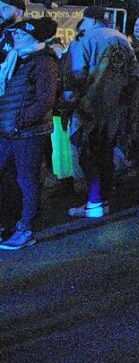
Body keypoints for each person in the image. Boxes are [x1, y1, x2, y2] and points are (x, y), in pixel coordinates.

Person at [63, 6, 138, 219]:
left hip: (90, 107)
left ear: (90, 19)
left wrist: (70, 102)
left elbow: (76, 74)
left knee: (88, 155)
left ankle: (93, 202)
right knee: (106, 154)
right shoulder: (122, 39)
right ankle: (104, 201)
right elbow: (134, 74)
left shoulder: (84, 38)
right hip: (117, 108)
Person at [0, 17, 59, 250]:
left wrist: (19, 122)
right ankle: (8, 223)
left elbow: (45, 100)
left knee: (27, 181)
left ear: (33, 38)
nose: (14, 37)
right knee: (8, 178)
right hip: (9, 132)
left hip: (28, 134)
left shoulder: (44, 63)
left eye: (20, 35)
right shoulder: (17, 60)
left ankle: (26, 228)